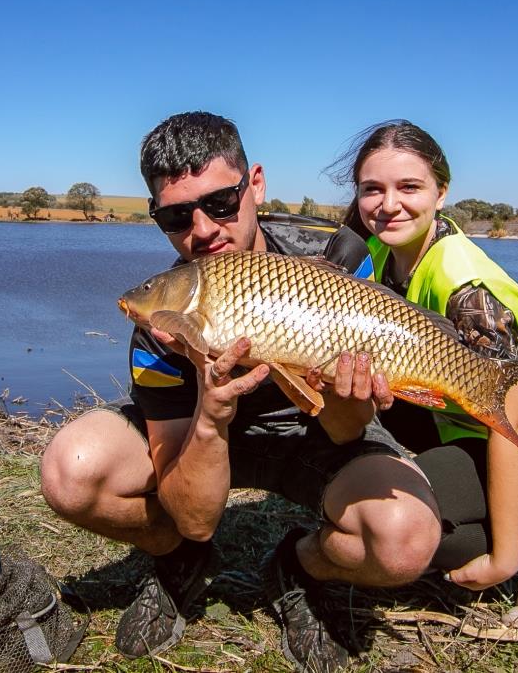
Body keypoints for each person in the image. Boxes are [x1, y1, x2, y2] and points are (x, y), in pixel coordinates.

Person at [40, 112, 441, 672]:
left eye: (221, 203)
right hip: (209, 444)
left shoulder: (340, 259)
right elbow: (197, 513)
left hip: (316, 431)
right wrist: (210, 415)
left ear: (255, 184)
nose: (202, 230)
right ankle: (181, 561)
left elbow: (346, 428)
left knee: (405, 542)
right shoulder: (164, 318)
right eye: (176, 216)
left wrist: (349, 396)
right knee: (72, 469)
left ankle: (300, 567)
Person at [330, 120, 518, 637]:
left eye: (409, 187)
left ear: (441, 191)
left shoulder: (464, 282)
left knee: (410, 525)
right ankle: (474, 503)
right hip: (467, 425)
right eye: (373, 189)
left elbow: (512, 415)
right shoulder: (387, 249)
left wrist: (503, 559)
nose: (389, 204)